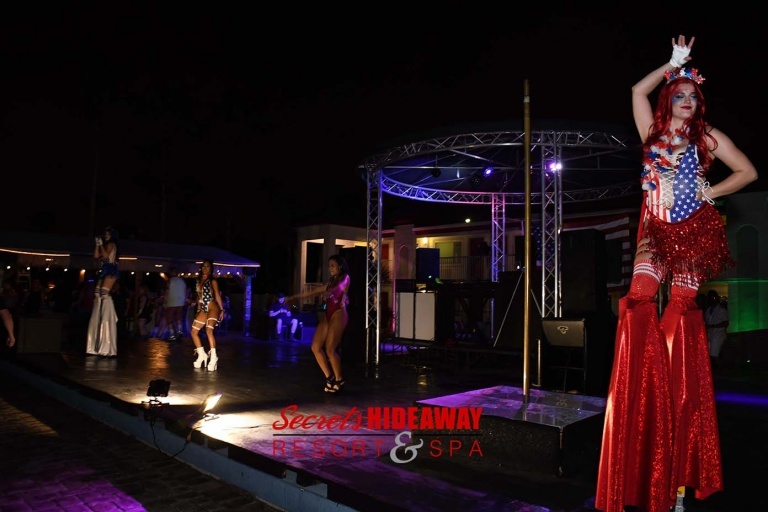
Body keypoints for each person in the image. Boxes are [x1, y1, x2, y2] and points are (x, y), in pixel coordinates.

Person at [595, 36, 758, 512]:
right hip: (654, 232)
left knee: (679, 320)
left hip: (691, 236)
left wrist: (710, 193)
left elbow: (747, 172)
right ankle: (642, 405)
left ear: (699, 105)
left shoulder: (707, 137)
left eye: (693, 96)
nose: (687, 100)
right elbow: (635, 91)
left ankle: (679, 469)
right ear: (670, 99)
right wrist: (672, 64)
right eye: (680, 94)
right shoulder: (652, 132)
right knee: (637, 303)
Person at [288, 254, 350, 394]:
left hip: (339, 313)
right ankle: (329, 377)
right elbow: (313, 292)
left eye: (333, 266)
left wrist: (329, 292)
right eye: (329, 266)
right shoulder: (330, 282)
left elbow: (339, 288)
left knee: (330, 349)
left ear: (340, 266)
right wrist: (293, 297)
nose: (330, 268)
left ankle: (339, 380)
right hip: (327, 314)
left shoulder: (345, 278)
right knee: (315, 347)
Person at [86, 226, 120, 357]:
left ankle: (108, 317)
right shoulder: (105, 245)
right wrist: (97, 244)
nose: (106, 236)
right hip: (104, 270)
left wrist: (101, 245)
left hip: (110, 270)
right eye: (105, 234)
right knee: (97, 293)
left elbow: (105, 256)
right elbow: (96, 256)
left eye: (107, 234)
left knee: (104, 294)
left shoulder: (111, 244)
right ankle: (96, 338)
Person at [190, 259, 225, 371]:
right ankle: (202, 355)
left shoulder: (212, 281)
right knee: (194, 331)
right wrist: (198, 309)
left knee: (209, 331)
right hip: (203, 308)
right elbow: (199, 297)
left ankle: (214, 357)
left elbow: (217, 295)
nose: (205, 268)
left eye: (208, 266)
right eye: (204, 266)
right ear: (201, 268)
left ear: (211, 269)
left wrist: (222, 309)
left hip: (212, 306)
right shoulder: (198, 280)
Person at [703, 290, 728, 367]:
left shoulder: (721, 310)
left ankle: (719, 369)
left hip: (718, 335)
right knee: (709, 354)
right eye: (710, 298)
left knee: (714, 354)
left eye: (713, 297)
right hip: (710, 335)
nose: (711, 299)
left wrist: (713, 326)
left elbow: (726, 323)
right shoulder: (708, 310)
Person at [162, 266, 187, 341]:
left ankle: (172, 334)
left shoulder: (169, 281)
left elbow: (167, 292)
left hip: (171, 302)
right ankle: (179, 331)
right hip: (180, 302)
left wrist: (164, 301)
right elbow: (185, 291)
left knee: (169, 318)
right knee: (178, 317)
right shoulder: (182, 281)